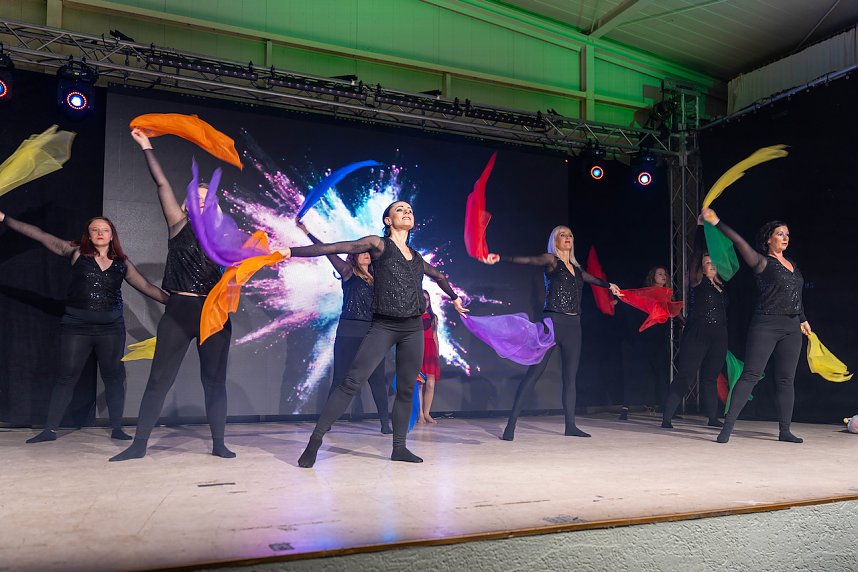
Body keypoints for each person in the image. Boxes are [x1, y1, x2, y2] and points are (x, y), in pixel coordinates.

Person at [285, 200, 468, 468]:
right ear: (387, 220)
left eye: (410, 210)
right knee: (351, 382)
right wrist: (288, 251)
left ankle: (399, 447)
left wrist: (454, 297)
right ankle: (315, 442)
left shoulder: (416, 258)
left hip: (412, 328)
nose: (407, 212)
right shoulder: (379, 245)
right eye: (399, 210)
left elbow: (438, 275)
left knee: (406, 389)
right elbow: (334, 248)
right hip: (384, 325)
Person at [110, 128, 234, 461]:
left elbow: (244, 266)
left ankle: (219, 443)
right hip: (179, 311)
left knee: (214, 381)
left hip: (214, 316)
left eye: (209, 198)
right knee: (158, 380)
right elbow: (162, 183)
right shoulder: (178, 223)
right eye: (198, 195)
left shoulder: (223, 238)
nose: (203, 201)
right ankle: (139, 445)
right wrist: (146, 145)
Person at [0, 210, 169, 443]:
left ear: (112, 236)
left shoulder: (122, 262)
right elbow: (40, 235)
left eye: (105, 230)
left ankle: (117, 428)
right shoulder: (75, 252)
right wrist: (5, 219)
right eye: (95, 230)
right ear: (88, 235)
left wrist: (180, 303)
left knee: (113, 377)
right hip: (76, 326)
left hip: (111, 328)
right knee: (66, 377)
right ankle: (50, 430)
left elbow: (149, 288)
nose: (100, 233)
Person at [484, 225, 621, 440]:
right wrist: (501, 257)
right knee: (534, 375)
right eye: (562, 235)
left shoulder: (577, 269)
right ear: (555, 240)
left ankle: (570, 426)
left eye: (569, 235)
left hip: (574, 327)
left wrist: (609, 285)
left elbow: (593, 280)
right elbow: (529, 260)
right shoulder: (551, 261)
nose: (567, 238)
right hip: (553, 323)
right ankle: (510, 426)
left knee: (570, 379)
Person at [701, 208, 810, 444]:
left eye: (787, 234)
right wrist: (716, 221)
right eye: (780, 234)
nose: (785, 238)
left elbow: (794, 293)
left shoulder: (792, 264)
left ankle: (785, 430)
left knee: (785, 379)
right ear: (768, 238)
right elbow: (738, 240)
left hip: (792, 326)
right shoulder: (761, 262)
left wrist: (802, 318)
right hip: (766, 324)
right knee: (750, 374)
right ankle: (727, 427)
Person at [296, 220, 392, 434]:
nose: (367, 254)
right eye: (363, 251)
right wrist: (307, 231)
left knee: (376, 379)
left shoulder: (380, 277)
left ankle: (385, 423)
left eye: (369, 251)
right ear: (354, 255)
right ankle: (326, 422)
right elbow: (326, 252)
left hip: (373, 332)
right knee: (340, 378)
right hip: (349, 330)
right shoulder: (348, 271)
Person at [661, 219, 727, 429]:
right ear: (701, 268)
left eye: (713, 263)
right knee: (686, 376)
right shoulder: (697, 283)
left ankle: (712, 417)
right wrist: (700, 227)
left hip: (719, 336)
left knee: (710, 377)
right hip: (697, 334)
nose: (711, 265)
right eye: (707, 263)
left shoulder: (722, 287)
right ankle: (667, 417)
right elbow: (696, 253)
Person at [618, 266, 672, 421]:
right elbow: (632, 298)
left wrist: (682, 319)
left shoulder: (668, 294)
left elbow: (670, 310)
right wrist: (618, 298)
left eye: (665, 274)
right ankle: (625, 408)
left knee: (661, 373)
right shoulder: (646, 292)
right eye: (660, 274)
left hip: (659, 339)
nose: (664, 276)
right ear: (652, 277)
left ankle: (667, 409)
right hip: (644, 338)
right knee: (635, 373)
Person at [418, 289, 440, 424]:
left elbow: (434, 336)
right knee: (419, 383)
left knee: (430, 384)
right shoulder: (413, 316)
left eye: (426, 299)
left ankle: (427, 413)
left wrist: (437, 352)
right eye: (422, 299)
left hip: (430, 351)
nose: (424, 302)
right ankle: (420, 414)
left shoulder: (433, 317)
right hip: (418, 350)